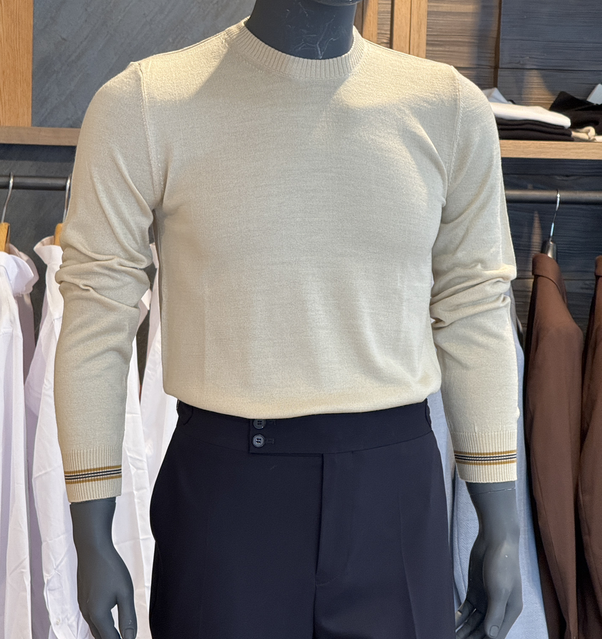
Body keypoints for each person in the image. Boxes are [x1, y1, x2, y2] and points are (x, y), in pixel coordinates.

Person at [54, 1, 523, 638]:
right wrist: (91, 531)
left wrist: (501, 525)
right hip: (226, 500)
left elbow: (474, 307)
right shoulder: (145, 105)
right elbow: (96, 313)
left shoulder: (449, 109)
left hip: (394, 492)